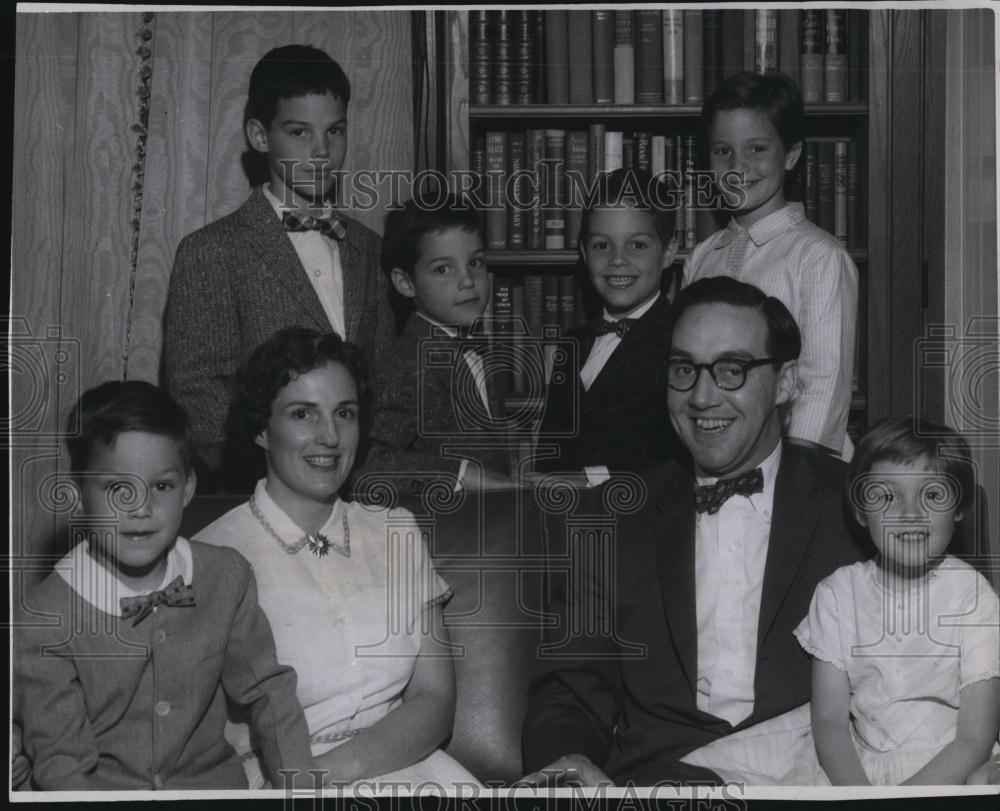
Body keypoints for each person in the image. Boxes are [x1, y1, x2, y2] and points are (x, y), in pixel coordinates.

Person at [521, 277, 864, 786]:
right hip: (660, 784)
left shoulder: (857, 508)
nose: (702, 396)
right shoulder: (611, 519)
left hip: (814, 779)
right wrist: (568, 760)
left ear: (786, 383)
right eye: (684, 369)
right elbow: (573, 688)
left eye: (732, 369)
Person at [196, 327, 478, 788]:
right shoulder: (211, 555)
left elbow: (434, 700)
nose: (329, 436)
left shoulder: (396, 530)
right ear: (261, 429)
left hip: (406, 768)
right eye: (303, 414)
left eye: (344, 413)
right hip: (280, 785)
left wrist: (333, 773)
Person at [13, 381, 313, 790]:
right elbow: (62, 763)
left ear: (188, 487)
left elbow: (269, 694)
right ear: (79, 493)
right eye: (118, 489)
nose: (141, 508)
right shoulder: (46, 617)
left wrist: (303, 791)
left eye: (162, 486)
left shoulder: (226, 576)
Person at [163, 44, 392, 489]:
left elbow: (385, 385)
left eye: (336, 131)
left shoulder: (371, 250)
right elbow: (198, 394)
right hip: (260, 496)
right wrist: (266, 480)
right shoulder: (211, 251)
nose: (322, 151)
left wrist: (367, 473)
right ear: (260, 136)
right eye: (300, 133)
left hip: (361, 493)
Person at [795, 417, 1000, 785]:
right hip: (856, 768)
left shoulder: (973, 597)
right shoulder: (837, 594)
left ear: (959, 508)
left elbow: (975, 739)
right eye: (887, 496)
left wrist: (902, 801)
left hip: (953, 765)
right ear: (860, 510)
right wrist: (860, 798)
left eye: (933, 495)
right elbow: (828, 721)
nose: (910, 513)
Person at [683, 71, 858, 460]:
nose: (737, 166)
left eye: (757, 149)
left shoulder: (820, 257)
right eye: (723, 151)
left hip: (794, 468)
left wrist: (794, 487)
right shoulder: (701, 257)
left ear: (791, 154)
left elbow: (822, 391)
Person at [354, 192, 519, 495]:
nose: (468, 280)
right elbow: (369, 467)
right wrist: (459, 475)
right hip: (437, 533)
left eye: (476, 262)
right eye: (443, 269)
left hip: (492, 528)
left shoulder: (481, 350)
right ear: (405, 283)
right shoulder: (406, 364)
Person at [532, 168, 683, 487]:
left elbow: (674, 458)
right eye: (602, 246)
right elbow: (547, 458)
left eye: (637, 245)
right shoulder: (571, 346)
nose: (617, 260)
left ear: (668, 252)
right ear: (585, 253)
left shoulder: (681, 343)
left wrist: (587, 479)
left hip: (642, 524)